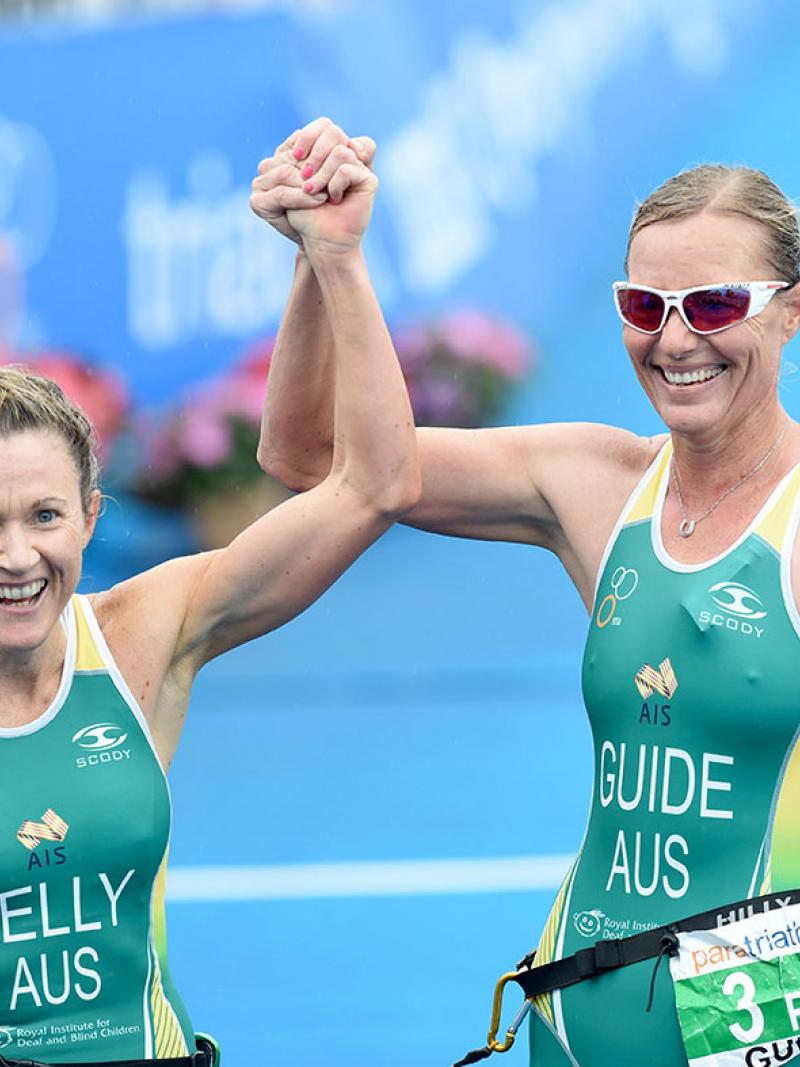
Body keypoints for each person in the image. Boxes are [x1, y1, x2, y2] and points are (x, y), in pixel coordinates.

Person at [256, 117, 800, 1066]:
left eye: (714, 305)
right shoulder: (596, 485)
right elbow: (313, 459)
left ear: (791, 310)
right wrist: (328, 257)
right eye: (644, 305)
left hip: (749, 1014)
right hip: (575, 1000)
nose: (675, 340)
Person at [0, 126, 419, 1066]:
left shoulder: (140, 637)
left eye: (43, 515)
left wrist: (333, 260)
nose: (18, 555)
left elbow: (373, 486)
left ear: (91, 517)